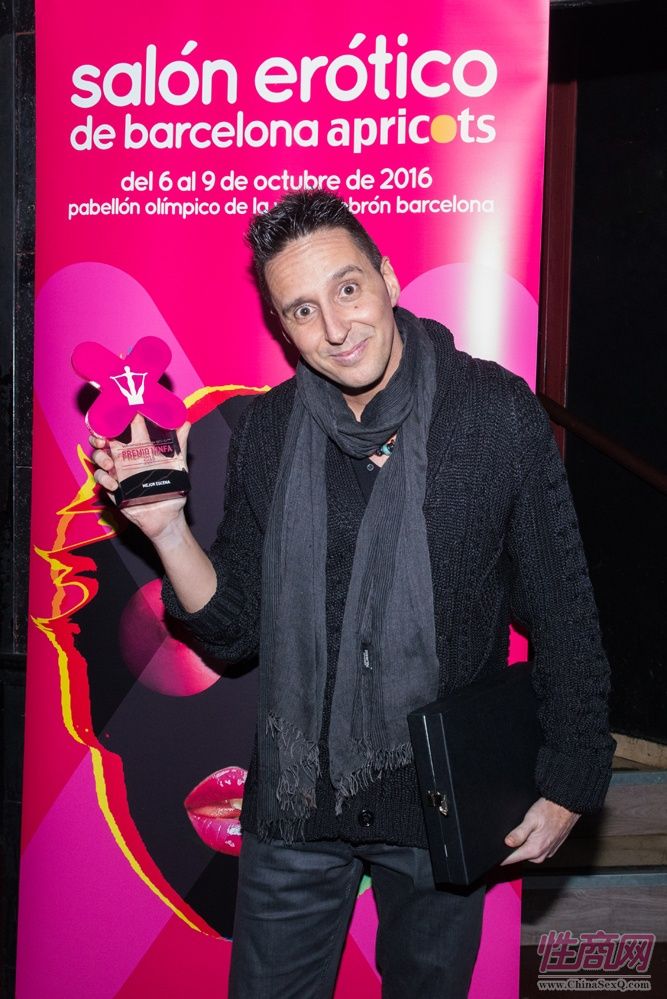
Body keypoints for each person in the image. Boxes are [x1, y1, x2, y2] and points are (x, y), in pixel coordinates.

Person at [91, 190, 615, 998]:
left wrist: (569, 778)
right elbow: (234, 628)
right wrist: (165, 531)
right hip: (297, 800)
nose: (335, 328)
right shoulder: (267, 431)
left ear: (387, 278)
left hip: (443, 797)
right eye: (302, 310)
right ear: (281, 327)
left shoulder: (493, 415)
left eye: (346, 288)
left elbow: (563, 610)